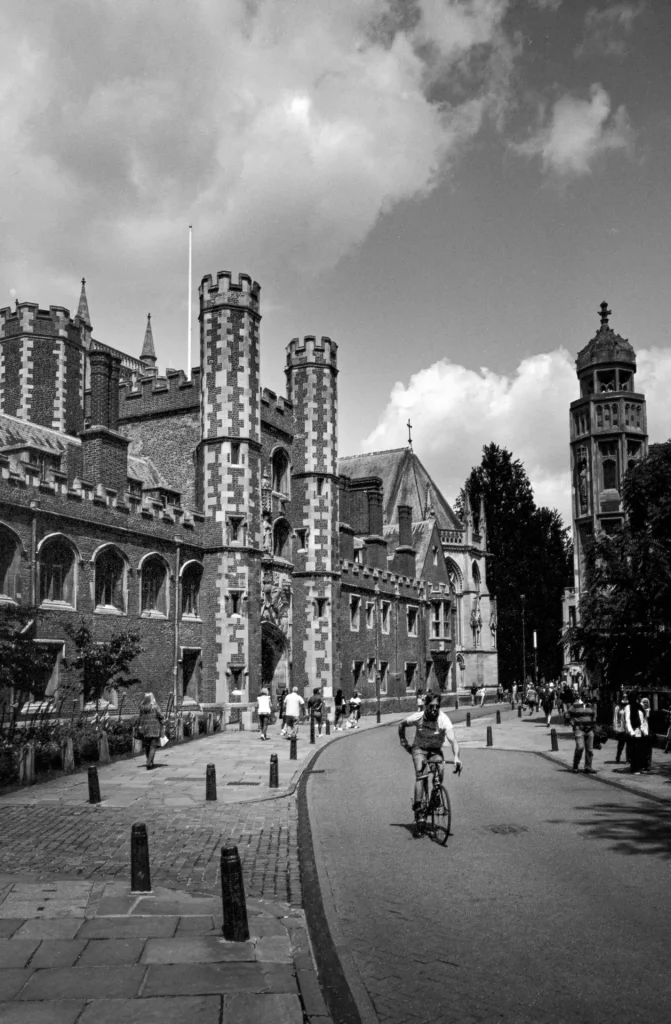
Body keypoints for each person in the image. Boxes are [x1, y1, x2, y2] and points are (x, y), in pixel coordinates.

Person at [398, 693, 462, 821]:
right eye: (431, 706)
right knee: (421, 775)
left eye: (437, 707)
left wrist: (456, 757)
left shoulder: (443, 719)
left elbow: (453, 740)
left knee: (440, 771)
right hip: (419, 749)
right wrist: (404, 742)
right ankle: (418, 807)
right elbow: (401, 725)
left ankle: (435, 797)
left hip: (435, 750)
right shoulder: (418, 717)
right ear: (426, 706)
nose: (434, 709)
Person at [568, 691, 597, 773]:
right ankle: (575, 765)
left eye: (589, 697)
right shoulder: (575, 705)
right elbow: (568, 715)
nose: (588, 698)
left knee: (590, 750)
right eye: (586, 697)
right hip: (579, 729)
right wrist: (573, 725)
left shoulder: (591, 705)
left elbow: (594, 715)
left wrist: (593, 724)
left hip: (589, 730)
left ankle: (588, 767)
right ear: (582, 697)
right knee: (580, 747)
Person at [137, 692, 164, 770]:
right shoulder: (154, 706)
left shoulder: (142, 707)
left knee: (147, 746)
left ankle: (150, 762)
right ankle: (149, 762)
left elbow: (140, 718)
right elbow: (161, 715)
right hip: (154, 729)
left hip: (145, 730)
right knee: (153, 747)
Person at [624, 692, 648, 775]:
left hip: (640, 730)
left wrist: (644, 730)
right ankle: (634, 768)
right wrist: (631, 731)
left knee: (640, 750)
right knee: (634, 750)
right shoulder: (628, 707)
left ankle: (640, 767)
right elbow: (627, 720)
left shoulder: (639, 706)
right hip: (633, 731)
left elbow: (643, 719)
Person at [613, 697, 628, 764]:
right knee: (621, 744)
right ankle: (618, 757)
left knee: (629, 744)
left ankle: (628, 759)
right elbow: (615, 718)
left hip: (628, 728)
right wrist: (615, 727)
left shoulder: (628, 708)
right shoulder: (617, 708)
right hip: (621, 728)